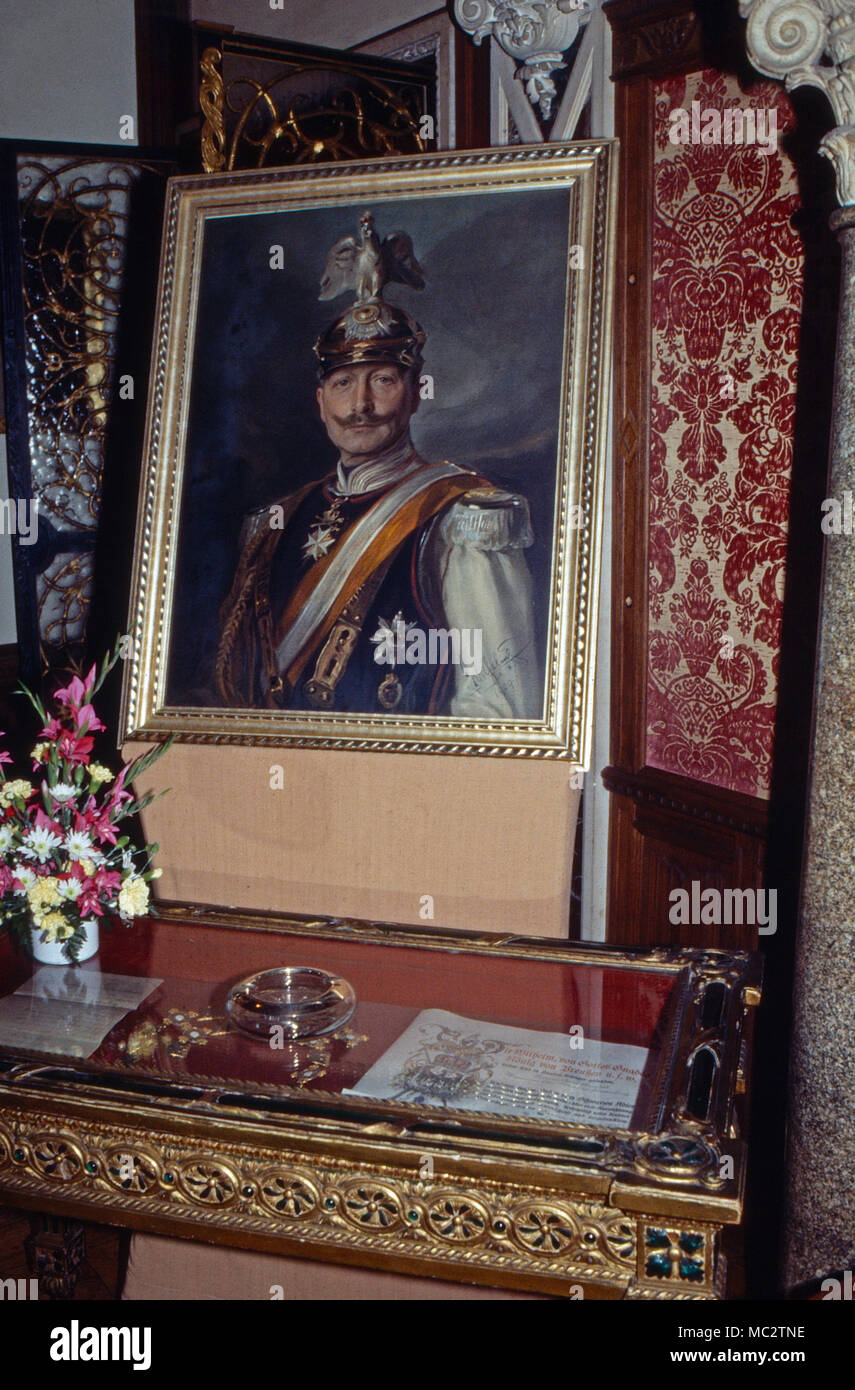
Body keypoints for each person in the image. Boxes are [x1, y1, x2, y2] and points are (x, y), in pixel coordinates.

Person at [215, 219, 540, 720]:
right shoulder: (275, 520)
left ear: (415, 394)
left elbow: (498, 708)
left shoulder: (461, 520)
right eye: (343, 384)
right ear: (321, 403)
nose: (359, 405)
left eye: (383, 380)